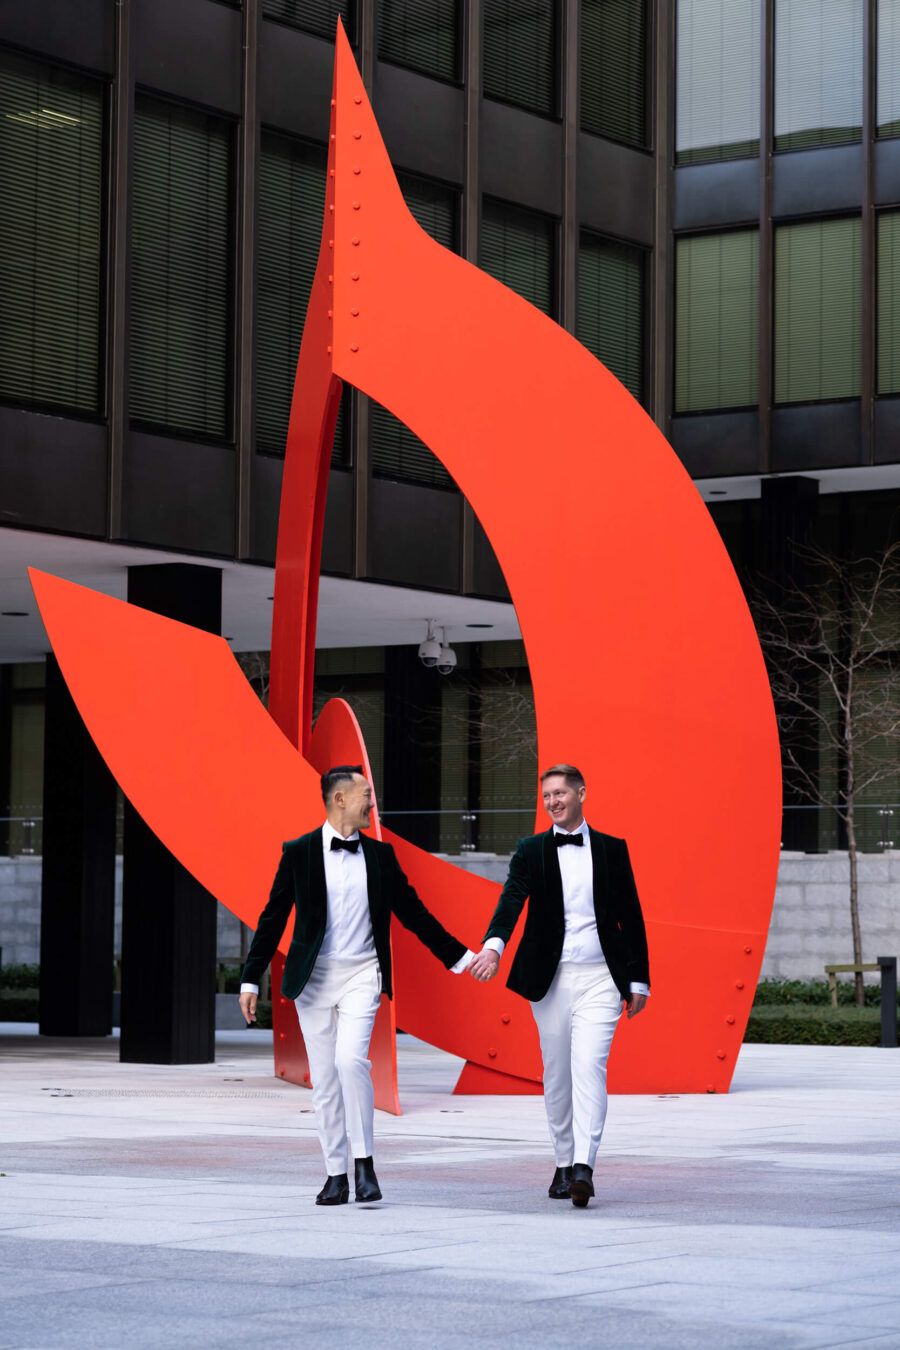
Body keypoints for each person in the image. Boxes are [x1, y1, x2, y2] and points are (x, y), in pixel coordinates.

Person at [239, 764, 474, 1206]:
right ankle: (335, 1174)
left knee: (351, 1062)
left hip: (363, 973)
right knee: (325, 1080)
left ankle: (364, 1164)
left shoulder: (380, 856)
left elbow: (414, 913)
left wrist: (460, 957)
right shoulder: (300, 852)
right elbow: (272, 918)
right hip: (313, 979)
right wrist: (251, 977)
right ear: (340, 798)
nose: (373, 802)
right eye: (366, 793)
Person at [469, 763, 649, 1208]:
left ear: (581, 793)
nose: (552, 802)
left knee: (590, 1066)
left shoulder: (612, 849)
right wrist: (493, 946)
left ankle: (585, 1166)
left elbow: (632, 914)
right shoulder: (530, 850)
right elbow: (511, 899)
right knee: (557, 1075)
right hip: (549, 982)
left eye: (560, 794)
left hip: (601, 980)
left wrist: (639, 978)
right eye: (546, 796)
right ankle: (563, 1161)